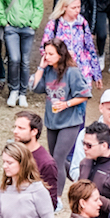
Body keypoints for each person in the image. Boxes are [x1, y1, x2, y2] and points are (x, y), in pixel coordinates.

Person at [32, 40, 90, 194]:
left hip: (70, 122)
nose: (47, 57)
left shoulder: (72, 72)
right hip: (52, 121)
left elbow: (84, 95)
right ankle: (79, 177)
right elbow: (35, 87)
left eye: (51, 54)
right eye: (45, 53)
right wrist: (41, 67)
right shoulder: (48, 71)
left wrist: (66, 104)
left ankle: (56, 197)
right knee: (55, 159)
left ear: (60, 54)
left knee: (57, 160)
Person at [0, 0, 44, 108]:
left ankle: (23, 93)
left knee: (25, 61)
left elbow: (38, 4)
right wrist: (4, 22)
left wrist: (34, 24)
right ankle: (13, 90)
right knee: (14, 59)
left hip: (27, 27)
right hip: (11, 27)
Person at [40, 0, 102, 91]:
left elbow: (90, 49)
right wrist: (62, 55)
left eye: (79, 7)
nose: (77, 10)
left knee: (82, 99)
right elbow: (43, 49)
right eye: (74, 8)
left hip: (82, 71)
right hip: (60, 73)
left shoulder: (83, 23)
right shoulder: (53, 25)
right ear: (64, 7)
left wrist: (97, 74)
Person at [12, 110, 60, 207]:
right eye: (15, 127)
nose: (15, 131)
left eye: (21, 128)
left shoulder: (46, 163)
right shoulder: (16, 153)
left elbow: (51, 202)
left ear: (34, 131)